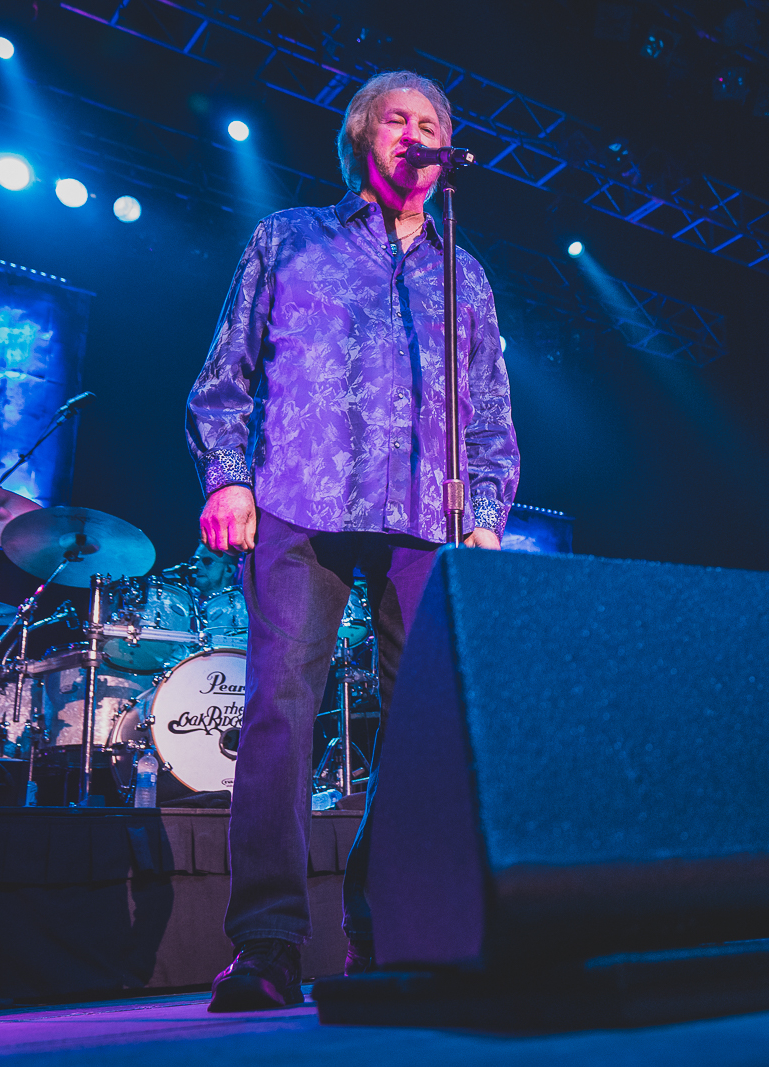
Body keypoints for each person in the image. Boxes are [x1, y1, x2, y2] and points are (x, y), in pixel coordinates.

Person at [186, 70, 519, 1011]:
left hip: (427, 516)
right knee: (280, 711)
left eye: (432, 124)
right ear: (361, 139)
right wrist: (228, 474)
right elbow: (225, 377)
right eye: (397, 120)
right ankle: (267, 941)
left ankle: (386, 926)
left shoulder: (465, 273)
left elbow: (490, 412)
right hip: (298, 498)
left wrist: (486, 512)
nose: (415, 134)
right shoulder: (288, 240)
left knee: (427, 729)